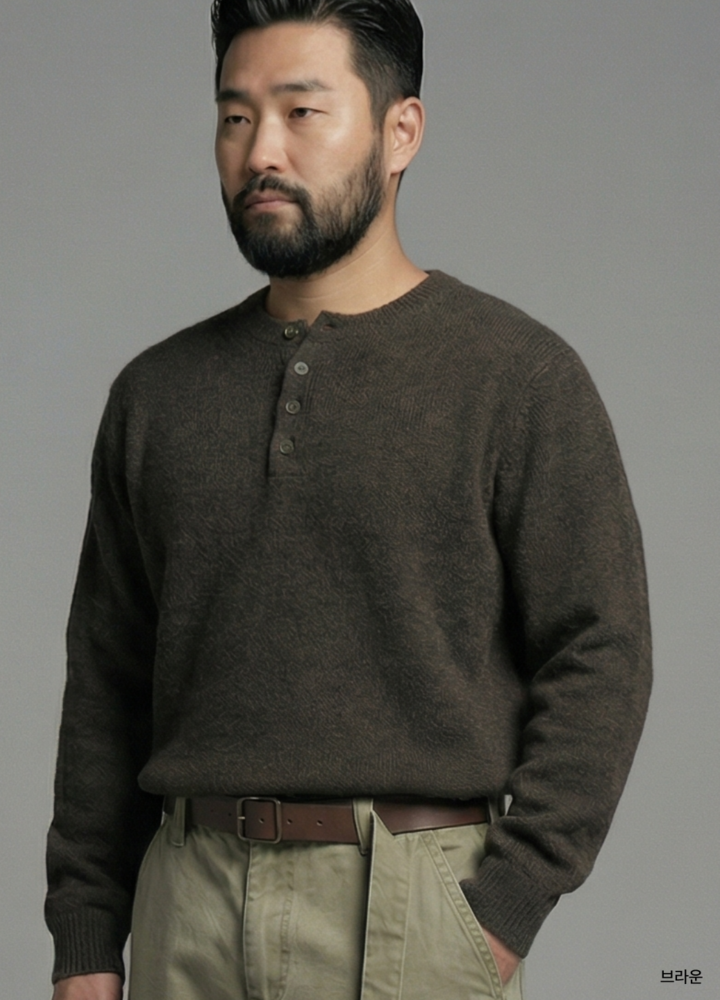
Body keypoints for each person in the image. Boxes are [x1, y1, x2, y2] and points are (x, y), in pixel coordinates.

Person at [45, 1, 652, 998]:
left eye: (300, 112)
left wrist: (499, 912)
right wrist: (83, 940)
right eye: (235, 117)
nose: (260, 151)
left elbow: (602, 650)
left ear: (400, 131)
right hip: (183, 911)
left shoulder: (518, 378)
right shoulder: (155, 395)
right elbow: (105, 684)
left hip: (413, 910)